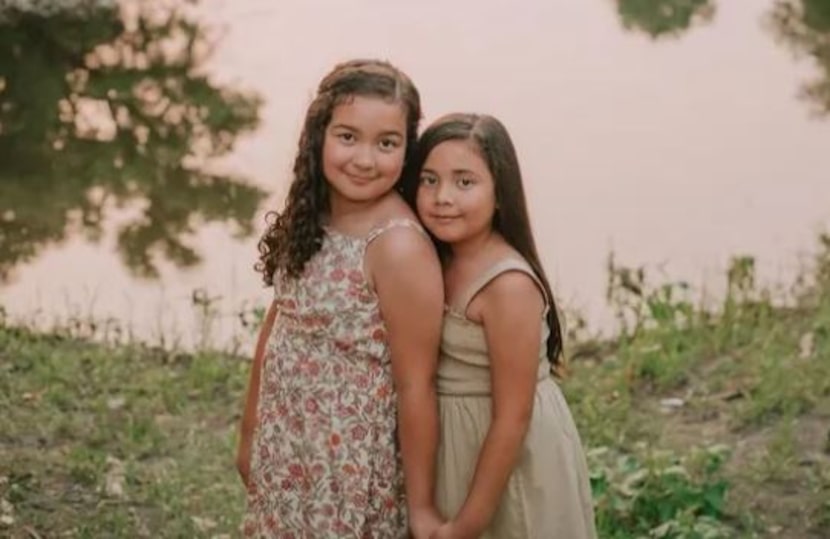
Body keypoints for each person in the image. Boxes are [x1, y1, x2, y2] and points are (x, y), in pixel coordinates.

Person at [236, 59, 445, 538]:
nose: (365, 159)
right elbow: (281, 316)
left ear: (407, 150)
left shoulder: (396, 245)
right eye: (348, 137)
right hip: (288, 440)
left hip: (347, 465)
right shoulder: (316, 210)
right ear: (318, 135)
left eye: (386, 143)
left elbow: (417, 385)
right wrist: (251, 430)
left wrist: (423, 505)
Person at [405, 113, 597, 539]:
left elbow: (514, 415)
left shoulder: (507, 285)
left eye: (464, 182)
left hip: (504, 451)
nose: (442, 197)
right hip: (456, 441)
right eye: (429, 180)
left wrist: (468, 523)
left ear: (499, 195)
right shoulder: (435, 258)